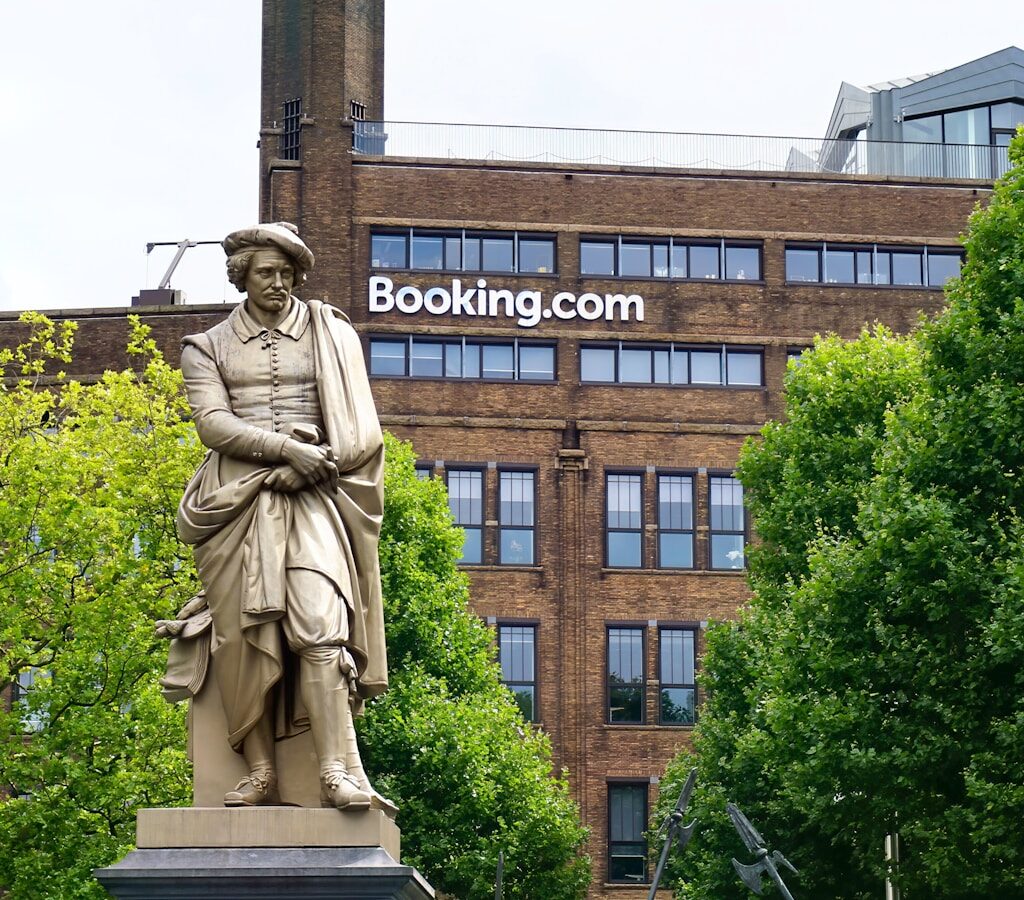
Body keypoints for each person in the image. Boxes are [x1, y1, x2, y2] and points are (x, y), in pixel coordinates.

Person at [173, 222, 390, 812]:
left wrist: (310, 463)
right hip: (234, 504)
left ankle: (334, 771)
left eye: (288, 272)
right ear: (241, 275)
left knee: (320, 625)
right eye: (266, 272)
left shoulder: (329, 331)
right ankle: (262, 771)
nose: (280, 283)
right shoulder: (207, 346)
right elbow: (212, 424)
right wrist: (283, 451)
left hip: (313, 496)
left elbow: (361, 427)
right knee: (242, 641)